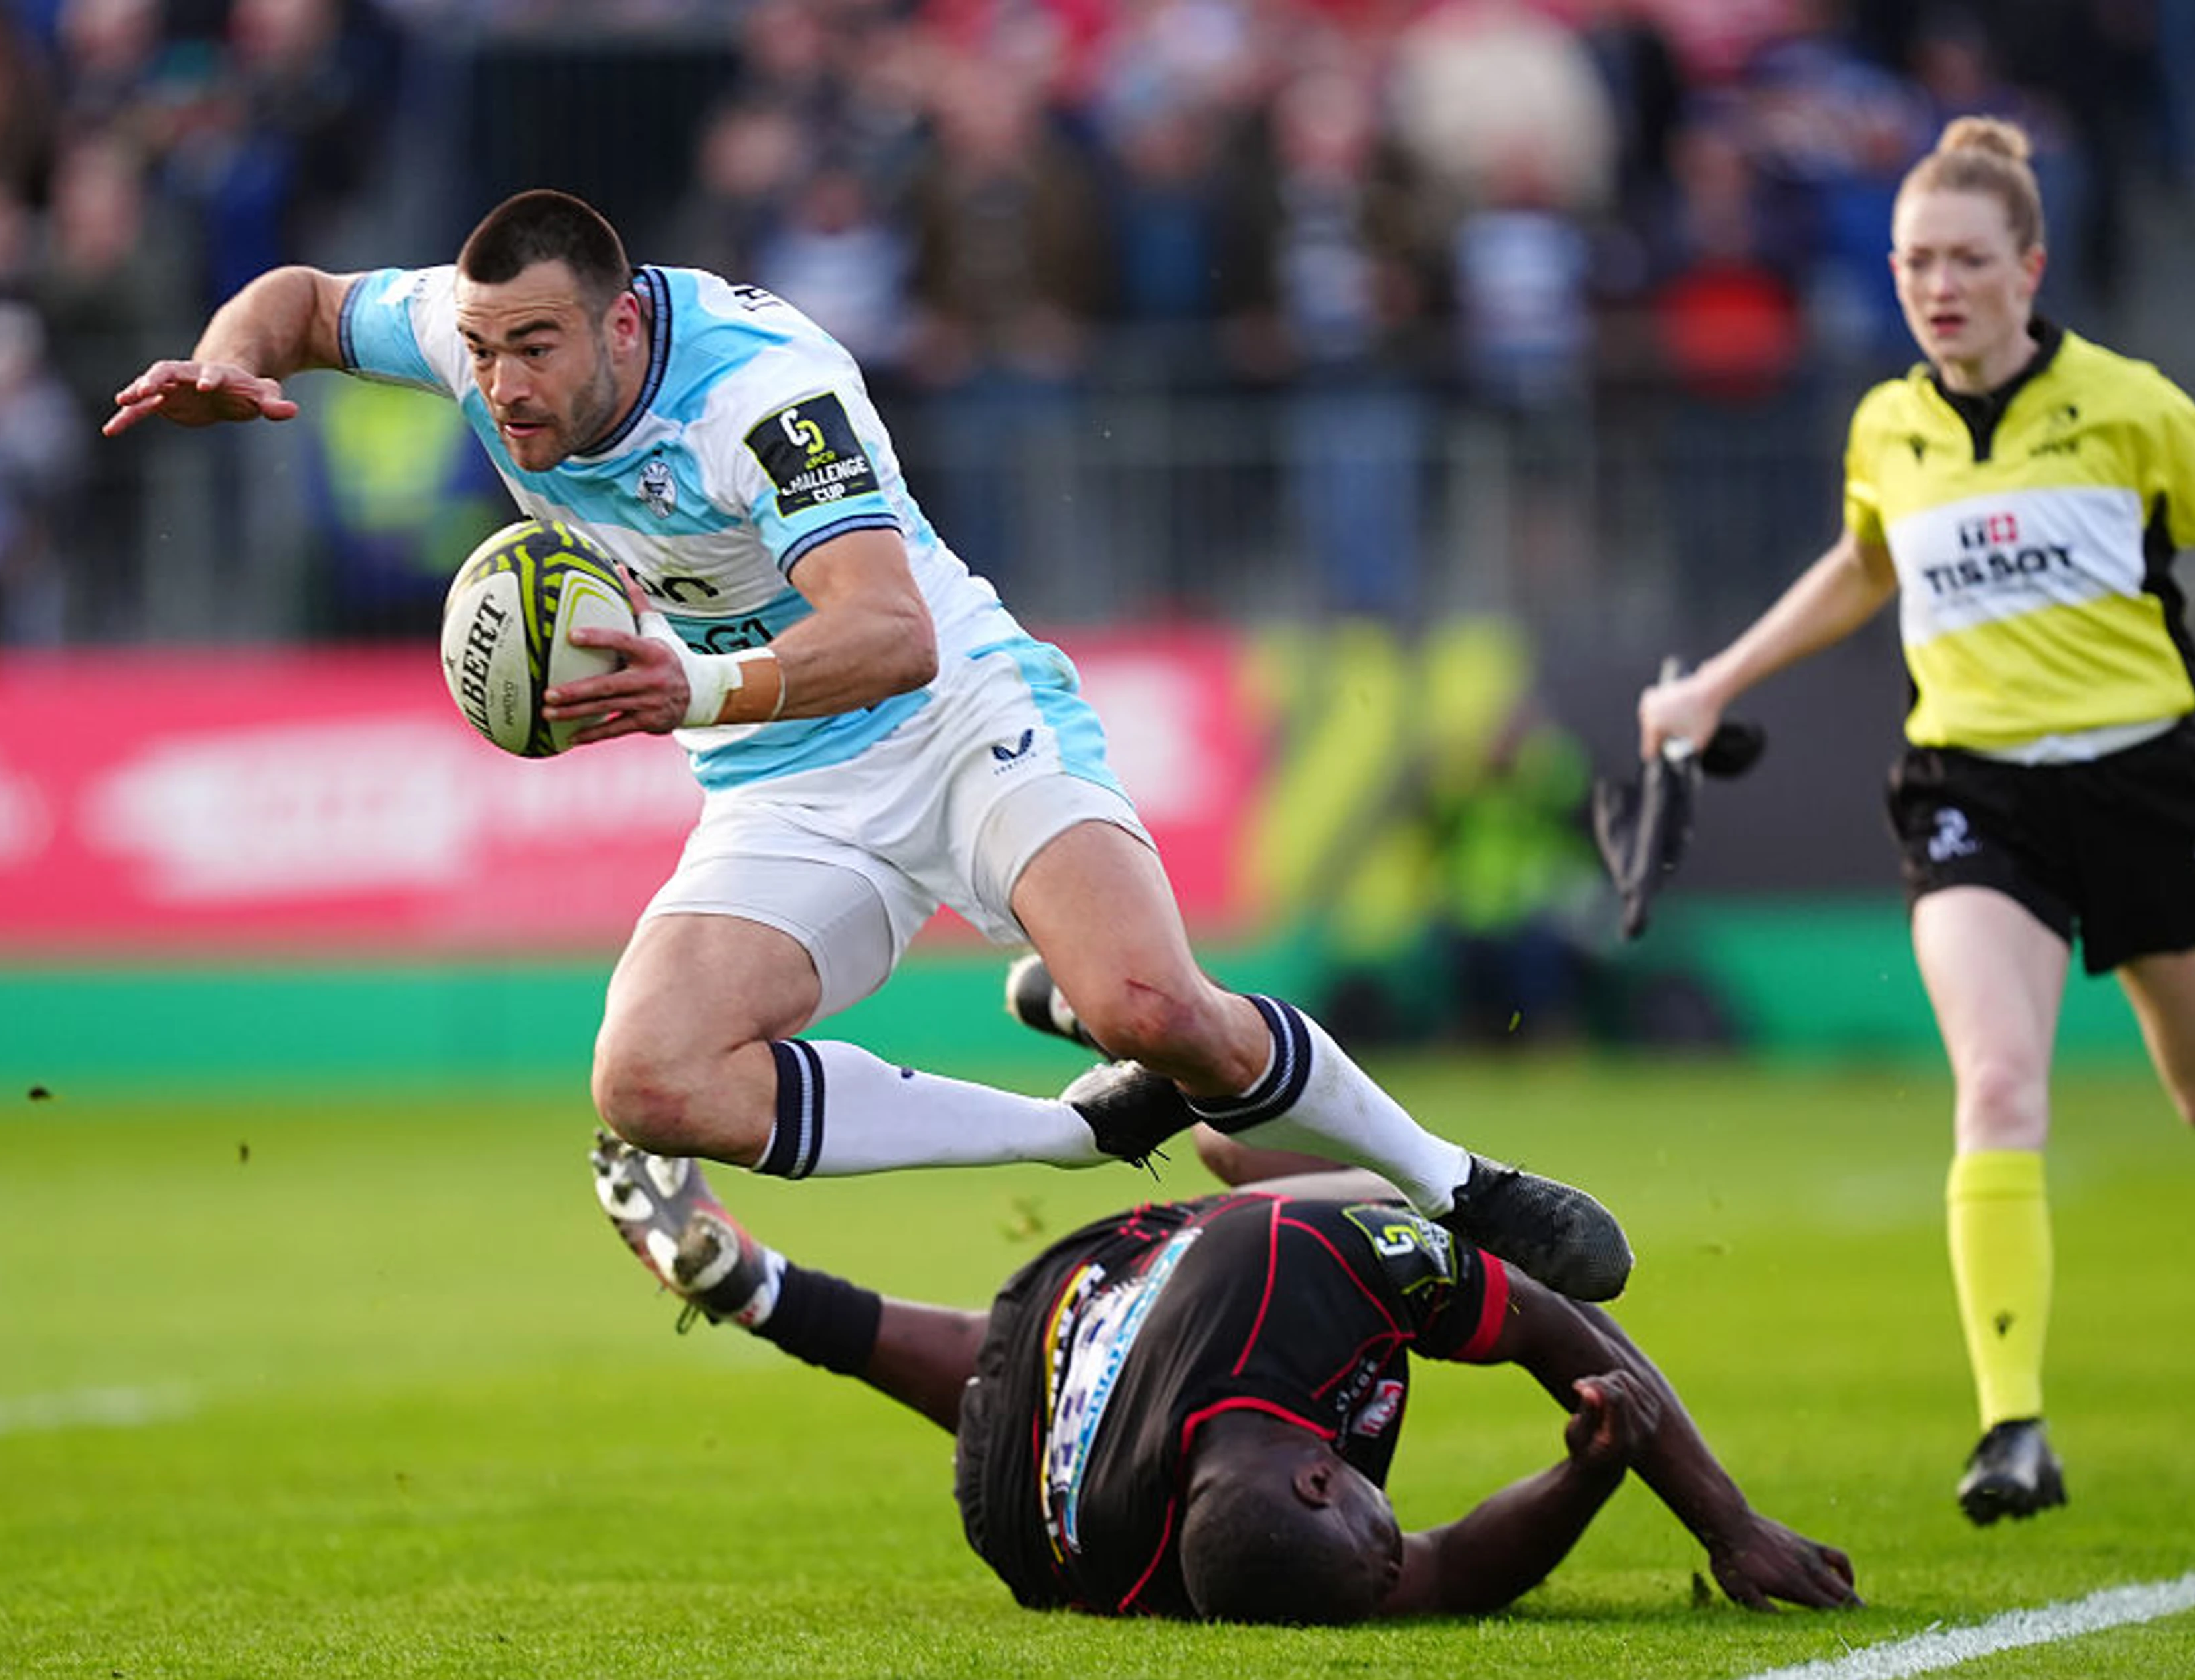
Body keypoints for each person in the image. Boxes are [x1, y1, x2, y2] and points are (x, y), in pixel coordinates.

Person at [98, 187, 1633, 1302]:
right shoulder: (468, 329)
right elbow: (301, 301)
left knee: (1156, 1001)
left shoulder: (767, 396)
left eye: (538, 349)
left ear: (625, 322)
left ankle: (1462, 1183)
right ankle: (1073, 1129)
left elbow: (889, 631)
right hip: (786, 774)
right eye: (487, 350)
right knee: (652, 1078)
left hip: (954, 715)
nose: (502, 385)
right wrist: (230, 355)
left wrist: (688, 692)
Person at [1632, 118, 2195, 1526]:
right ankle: (2013, 1426)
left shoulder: (2132, 403)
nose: (1938, 285)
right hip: (1973, 792)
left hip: (2145, 783)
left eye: (1967, 259)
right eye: (1914, 262)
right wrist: (1715, 679)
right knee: (1999, 1082)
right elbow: (1859, 565)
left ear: (2031, 265)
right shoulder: (1888, 422)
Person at [590, 1131, 1861, 1624]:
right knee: (1401, 1208)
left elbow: (1542, 1328)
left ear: (1318, 1473)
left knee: (999, 1356)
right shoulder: (1204, 1558)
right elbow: (1460, 1566)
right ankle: (759, 1286)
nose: (1394, 1542)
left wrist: (1719, 1518)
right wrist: (1599, 1469)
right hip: (1034, 1498)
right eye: (1383, 1540)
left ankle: (1191, 1097)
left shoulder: (1289, 1279)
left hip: (1083, 1340)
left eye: (1373, 1534)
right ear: (1320, 1468)